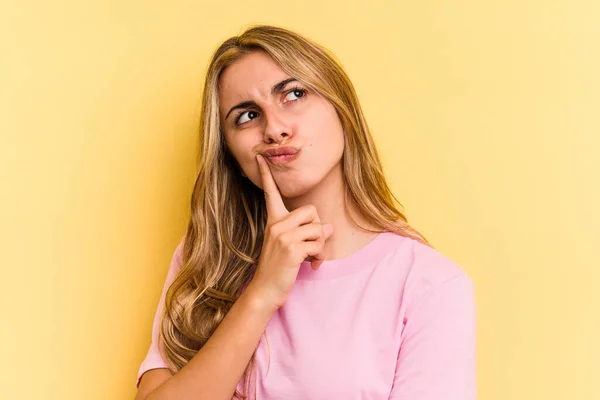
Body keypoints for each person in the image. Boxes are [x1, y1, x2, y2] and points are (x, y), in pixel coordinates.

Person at [134, 25, 477, 400]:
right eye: (246, 116)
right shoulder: (209, 259)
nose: (275, 129)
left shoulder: (426, 283)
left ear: (341, 106)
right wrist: (263, 292)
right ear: (230, 153)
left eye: (294, 94)